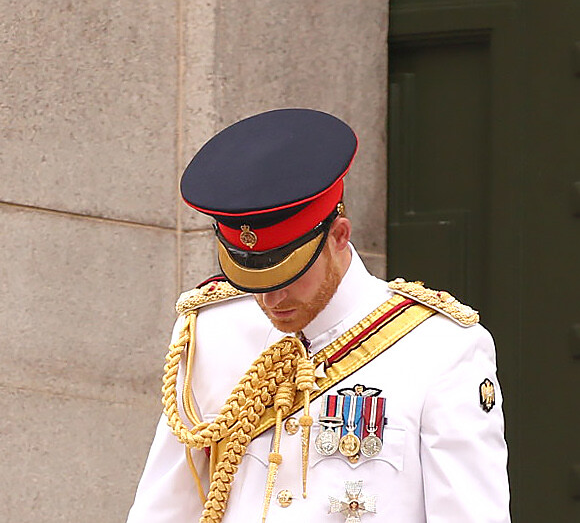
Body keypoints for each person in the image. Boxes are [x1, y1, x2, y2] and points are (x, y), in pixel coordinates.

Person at [127, 108, 510, 523]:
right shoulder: (212, 331)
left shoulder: (440, 349)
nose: (272, 299)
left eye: (289, 275)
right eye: (253, 278)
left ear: (339, 236)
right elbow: (164, 507)